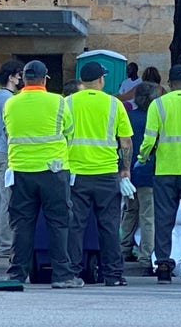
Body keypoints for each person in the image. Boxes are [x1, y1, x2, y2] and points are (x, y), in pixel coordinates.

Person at [3, 60, 79, 288]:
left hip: (20, 171)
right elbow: (69, 130)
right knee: (58, 223)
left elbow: (8, 130)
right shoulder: (58, 102)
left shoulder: (10, 103)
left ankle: (17, 275)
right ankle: (62, 275)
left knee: (22, 224)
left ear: (24, 79)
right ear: (46, 79)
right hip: (53, 171)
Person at [65, 62, 134, 287]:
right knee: (109, 227)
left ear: (82, 81)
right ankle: (113, 275)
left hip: (76, 174)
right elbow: (125, 142)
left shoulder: (68, 103)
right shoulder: (114, 104)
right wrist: (125, 170)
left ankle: (72, 272)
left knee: (75, 227)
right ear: (101, 80)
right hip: (106, 174)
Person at [138, 65, 181, 283]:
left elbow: (149, 139)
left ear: (168, 83)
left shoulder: (158, 104)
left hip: (165, 170)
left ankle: (164, 266)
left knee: (164, 219)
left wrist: (142, 157)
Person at [0, 60, 24, 259]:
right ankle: (5, 245)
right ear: (11, 77)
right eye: (19, 75)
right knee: (8, 201)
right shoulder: (9, 99)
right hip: (8, 153)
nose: (21, 79)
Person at [119, 82, 159, 273]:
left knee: (129, 211)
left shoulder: (129, 117)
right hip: (148, 171)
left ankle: (123, 248)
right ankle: (145, 256)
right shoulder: (155, 118)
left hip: (128, 171)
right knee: (147, 216)